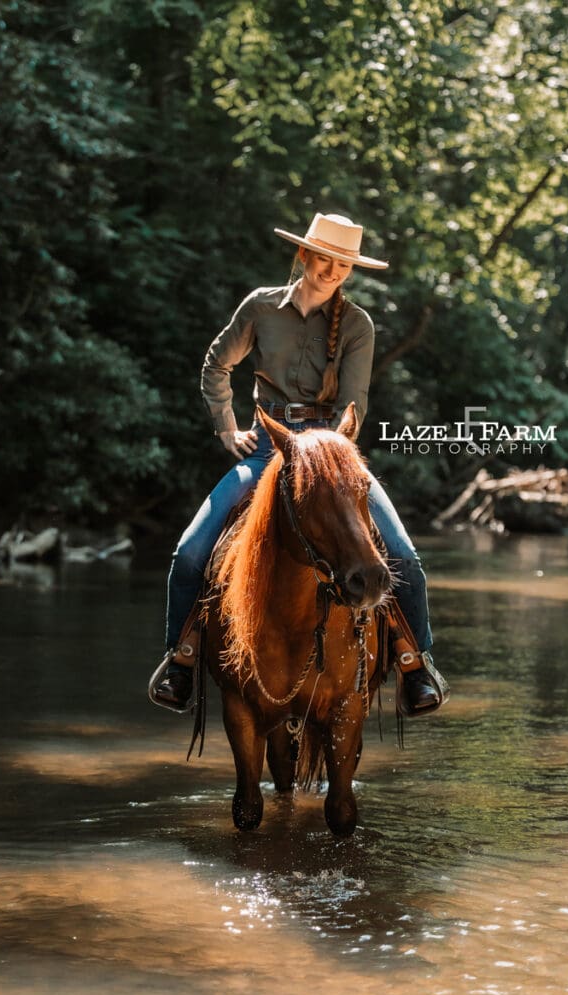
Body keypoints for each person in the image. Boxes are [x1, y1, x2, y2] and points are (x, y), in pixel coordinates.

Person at [152, 212, 448, 716]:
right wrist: (226, 427)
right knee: (190, 550)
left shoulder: (357, 325)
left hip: (332, 456)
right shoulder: (261, 307)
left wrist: (323, 459)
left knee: (404, 556)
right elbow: (216, 364)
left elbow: (354, 403)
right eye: (325, 259)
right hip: (269, 448)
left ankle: (414, 663)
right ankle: (181, 659)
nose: (332, 271)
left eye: (343, 264)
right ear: (305, 255)